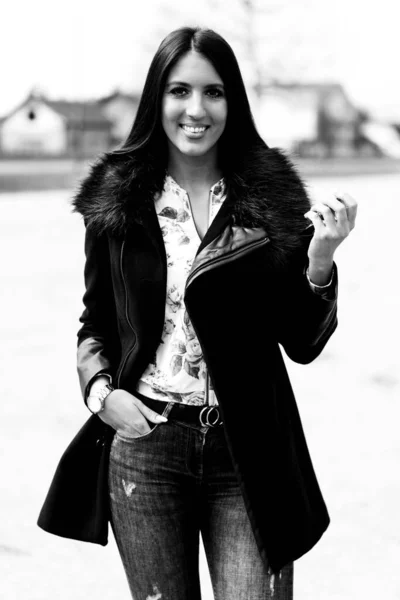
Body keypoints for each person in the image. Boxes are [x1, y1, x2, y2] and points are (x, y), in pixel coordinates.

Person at [72, 26, 357, 600]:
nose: (196, 109)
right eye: (179, 91)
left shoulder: (271, 200)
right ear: (158, 99)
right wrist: (103, 396)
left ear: (233, 101)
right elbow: (95, 323)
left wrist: (320, 259)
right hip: (146, 448)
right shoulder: (119, 202)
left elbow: (301, 340)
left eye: (214, 92)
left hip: (249, 452)